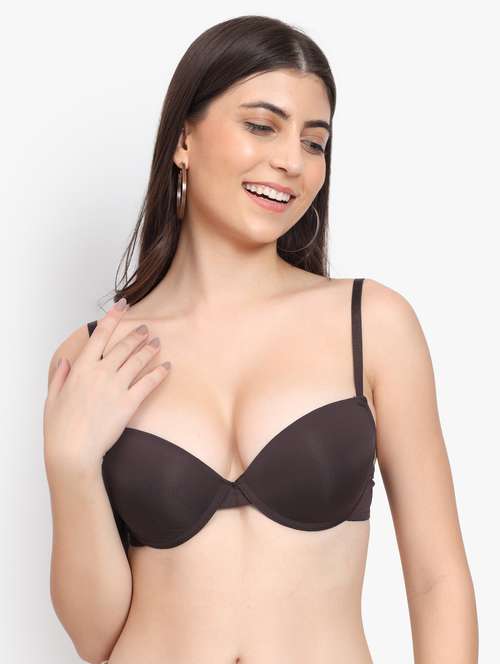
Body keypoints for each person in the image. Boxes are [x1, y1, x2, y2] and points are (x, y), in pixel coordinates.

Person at [43, 15, 478, 664]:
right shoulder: (95, 355)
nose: (292, 161)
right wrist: (70, 465)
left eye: (315, 141)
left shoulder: (372, 324)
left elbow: (438, 582)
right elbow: (96, 637)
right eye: (262, 126)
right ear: (183, 138)